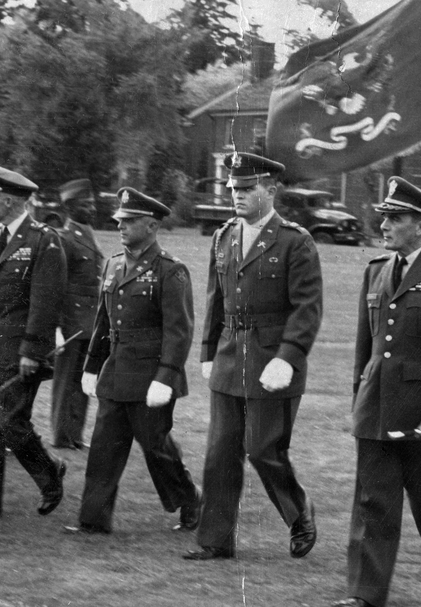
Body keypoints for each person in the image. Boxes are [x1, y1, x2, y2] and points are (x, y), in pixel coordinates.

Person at [332, 177, 421, 607]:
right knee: (372, 501)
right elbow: (366, 346)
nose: (384, 225)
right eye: (385, 217)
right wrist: (359, 399)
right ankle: (364, 594)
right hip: (375, 406)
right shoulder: (376, 270)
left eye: (395, 218)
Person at [185, 152, 323, 561]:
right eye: (234, 189)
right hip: (230, 354)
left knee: (263, 449)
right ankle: (215, 540)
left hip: (271, 359)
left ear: (271, 190)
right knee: (220, 453)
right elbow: (216, 299)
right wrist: (208, 350)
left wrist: (288, 356)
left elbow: (307, 308)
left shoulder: (295, 241)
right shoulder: (224, 236)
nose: (237, 195)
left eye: (247, 189)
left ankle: (299, 511)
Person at [65, 187, 200, 535]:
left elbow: (179, 331)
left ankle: (191, 501)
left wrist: (166, 377)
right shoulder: (112, 264)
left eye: (130, 221)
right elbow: (103, 322)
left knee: (156, 448)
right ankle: (93, 520)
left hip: (151, 376)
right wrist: (91, 366)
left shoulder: (170, 270)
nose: (121, 226)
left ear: (152, 226)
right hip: (115, 373)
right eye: (120, 220)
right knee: (103, 449)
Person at [0, 163, 67, 520]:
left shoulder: (44, 240)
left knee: (11, 423)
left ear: (8, 201)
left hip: (21, 351)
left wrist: (33, 351)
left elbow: (45, 302)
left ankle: (49, 473)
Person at [50, 179, 105, 450]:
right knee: (66, 382)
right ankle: (62, 435)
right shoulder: (64, 238)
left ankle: (75, 435)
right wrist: (57, 327)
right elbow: (56, 286)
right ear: (70, 208)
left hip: (88, 322)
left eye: (93, 203)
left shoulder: (87, 234)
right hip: (71, 322)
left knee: (83, 380)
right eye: (86, 204)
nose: (92, 208)